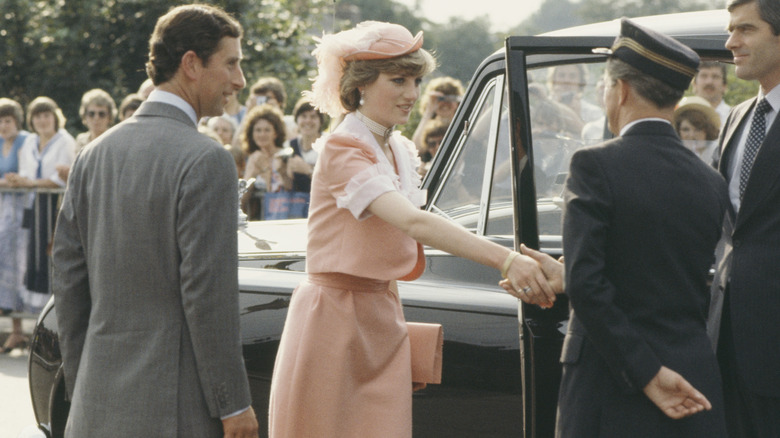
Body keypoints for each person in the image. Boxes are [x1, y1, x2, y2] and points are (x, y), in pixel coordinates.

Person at [267, 20, 560, 438]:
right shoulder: (342, 146)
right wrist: (507, 259)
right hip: (332, 320)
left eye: (416, 81)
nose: (412, 94)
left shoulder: (398, 148)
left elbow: (399, 244)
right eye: (399, 80)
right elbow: (413, 221)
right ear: (361, 84)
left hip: (381, 312)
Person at [50, 5, 258, 437]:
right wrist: (234, 404)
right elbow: (208, 294)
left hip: (94, 406)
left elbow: (68, 282)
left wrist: (82, 385)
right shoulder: (207, 159)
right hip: (175, 410)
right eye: (231, 63)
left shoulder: (92, 155)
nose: (239, 80)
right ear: (191, 64)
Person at [556, 18, 729, 437]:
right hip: (692, 380)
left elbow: (587, 284)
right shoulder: (710, 181)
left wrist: (647, 372)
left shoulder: (593, 164)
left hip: (611, 385)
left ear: (621, 90)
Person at [708, 0, 780, 436]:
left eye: (746, 29)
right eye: (730, 30)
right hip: (727, 344)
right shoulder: (737, 118)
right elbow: (719, 226)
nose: (731, 42)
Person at [5, 96, 75, 310]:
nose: (42, 121)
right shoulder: (30, 142)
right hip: (33, 204)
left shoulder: (65, 140)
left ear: (55, 117)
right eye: (37, 116)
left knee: (51, 253)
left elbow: (60, 178)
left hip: (54, 204)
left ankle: (55, 308)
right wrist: (19, 180)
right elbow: (26, 172)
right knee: (32, 254)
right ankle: (34, 309)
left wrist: (31, 182)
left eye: (46, 115)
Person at [0, 98, 32, 353]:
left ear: (17, 121)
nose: (3, 125)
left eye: (8, 120)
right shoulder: (0, 143)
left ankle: (22, 330)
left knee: (20, 266)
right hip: (3, 211)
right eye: (0, 121)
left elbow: (27, 174)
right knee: (4, 267)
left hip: (23, 209)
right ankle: (15, 330)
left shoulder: (26, 140)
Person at [284, 96, 325, 217]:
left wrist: (308, 170)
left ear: (320, 121)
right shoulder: (289, 146)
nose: (308, 121)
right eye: (303, 116)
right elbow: (288, 185)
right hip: (296, 208)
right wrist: (282, 171)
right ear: (297, 120)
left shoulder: (329, 144)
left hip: (322, 206)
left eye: (313, 117)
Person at [411, 76, 463, 155]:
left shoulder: (463, 124)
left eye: (450, 99)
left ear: (457, 101)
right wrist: (429, 111)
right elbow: (416, 149)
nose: (445, 103)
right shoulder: (428, 128)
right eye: (440, 99)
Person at [673, 95, 721, 163]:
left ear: (708, 130)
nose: (691, 135)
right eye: (685, 129)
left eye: (698, 129)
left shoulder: (717, 154)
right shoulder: (673, 154)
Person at [692, 60, 731, 129]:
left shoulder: (735, 117)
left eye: (715, 77)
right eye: (704, 76)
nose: (709, 82)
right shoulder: (680, 114)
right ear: (694, 84)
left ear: (724, 85)